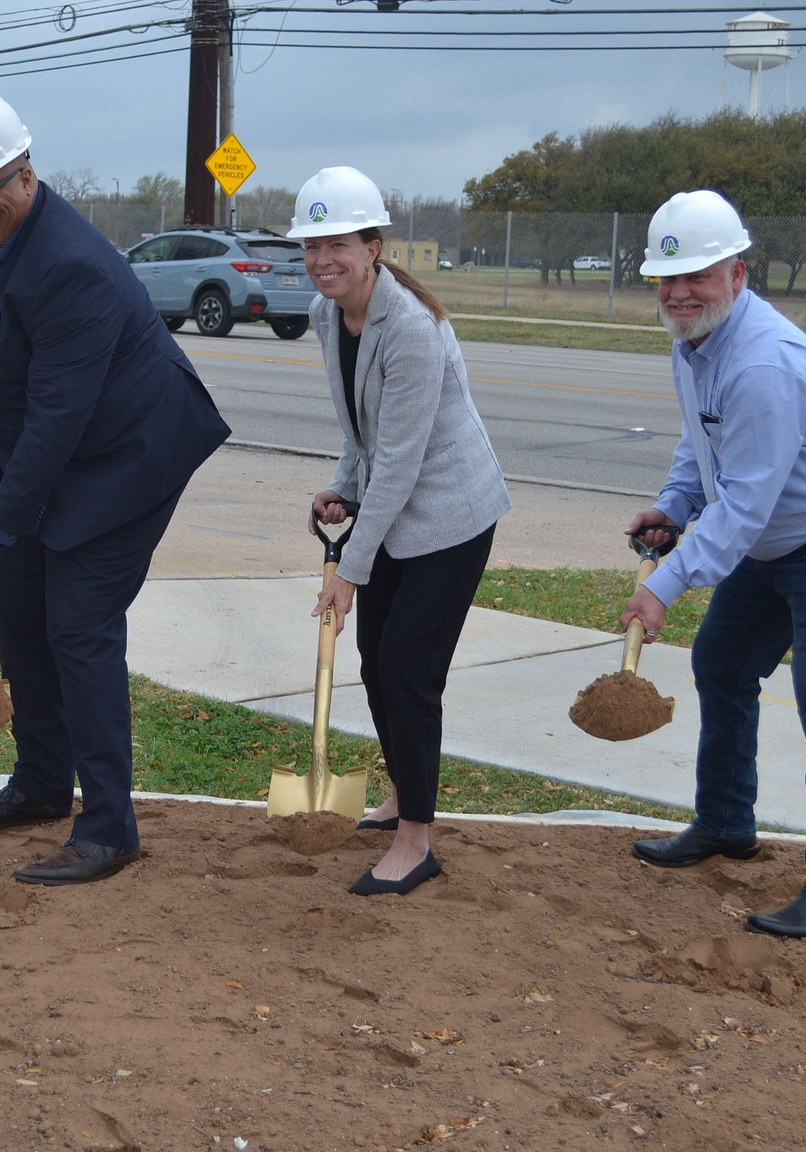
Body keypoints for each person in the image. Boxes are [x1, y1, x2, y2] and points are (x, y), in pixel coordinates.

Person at [0, 93, 230, 885]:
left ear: (25, 175)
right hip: (59, 450)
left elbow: (60, 420)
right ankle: (41, 784)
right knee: (22, 610)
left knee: (80, 625)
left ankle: (109, 827)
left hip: (130, 452)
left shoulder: (73, 267)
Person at [620, 190, 806, 941]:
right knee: (721, 664)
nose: (680, 293)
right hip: (773, 538)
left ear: (737, 274)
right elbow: (703, 444)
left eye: (699, 277)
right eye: (667, 279)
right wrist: (674, 506)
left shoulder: (765, 363)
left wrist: (665, 584)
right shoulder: (694, 342)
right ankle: (725, 824)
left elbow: (744, 507)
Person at [295, 167, 511, 897]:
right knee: (373, 661)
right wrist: (340, 488)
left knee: (408, 673)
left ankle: (416, 841)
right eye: (311, 246)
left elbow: (403, 458)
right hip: (393, 510)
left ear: (375, 246)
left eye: (338, 245)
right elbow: (362, 432)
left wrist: (349, 570)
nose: (323, 260)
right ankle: (398, 797)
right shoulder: (330, 317)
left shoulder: (412, 329)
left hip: (449, 518)